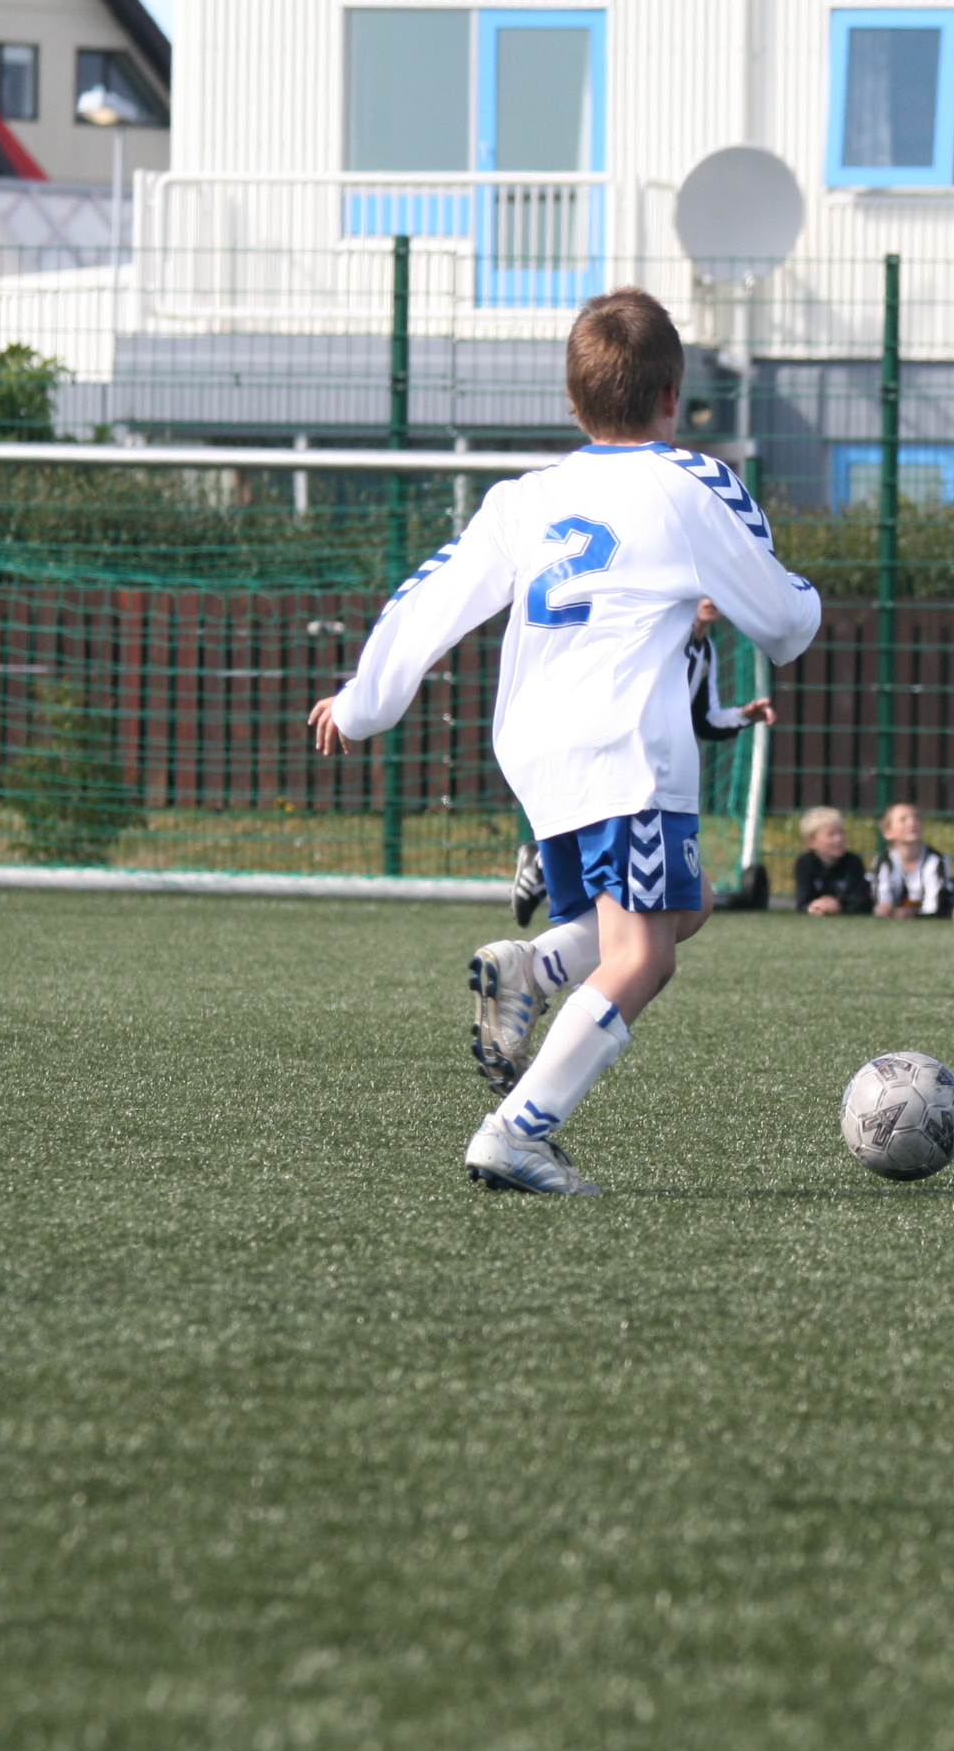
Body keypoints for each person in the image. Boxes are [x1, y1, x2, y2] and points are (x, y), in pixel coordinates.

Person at [309, 286, 821, 1196]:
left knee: (687, 901)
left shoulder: (524, 498)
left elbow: (429, 599)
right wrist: (805, 599)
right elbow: (782, 623)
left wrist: (361, 704)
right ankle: (517, 1132)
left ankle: (532, 967)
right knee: (644, 955)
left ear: (574, 403)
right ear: (674, 395)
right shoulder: (693, 482)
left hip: (539, 752)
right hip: (629, 747)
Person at [505, 599, 775, 927]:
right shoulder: (651, 635)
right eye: (701, 590)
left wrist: (744, 715)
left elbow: (704, 718)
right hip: (623, 757)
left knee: (681, 898)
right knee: (637, 891)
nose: (710, 599)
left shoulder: (705, 650)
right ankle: (549, 875)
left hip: (651, 767)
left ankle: (545, 869)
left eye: (716, 590)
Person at [872, 801, 954, 917]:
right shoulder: (883, 861)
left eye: (916, 818)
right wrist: (886, 908)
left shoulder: (935, 861)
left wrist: (913, 911)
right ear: (888, 832)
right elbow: (882, 898)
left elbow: (934, 905)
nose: (911, 823)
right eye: (903, 819)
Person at [793, 806, 873, 915]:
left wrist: (839, 907)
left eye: (841, 833)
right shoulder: (805, 864)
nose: (839, 838)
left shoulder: (853, 863)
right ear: (812, 841)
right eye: (831, 834)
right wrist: (814, 907)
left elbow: (861, 902)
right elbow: (803, 902)